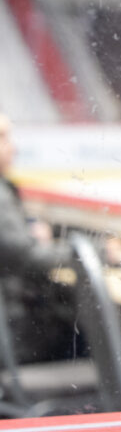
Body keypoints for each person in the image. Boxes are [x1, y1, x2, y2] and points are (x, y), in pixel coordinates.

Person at [0, 114, 79, 367]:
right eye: (2, 138)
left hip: (13, 330)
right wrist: (95, 253)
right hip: (19, 338)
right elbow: (28, 258)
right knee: (106, 330)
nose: (13, 147)